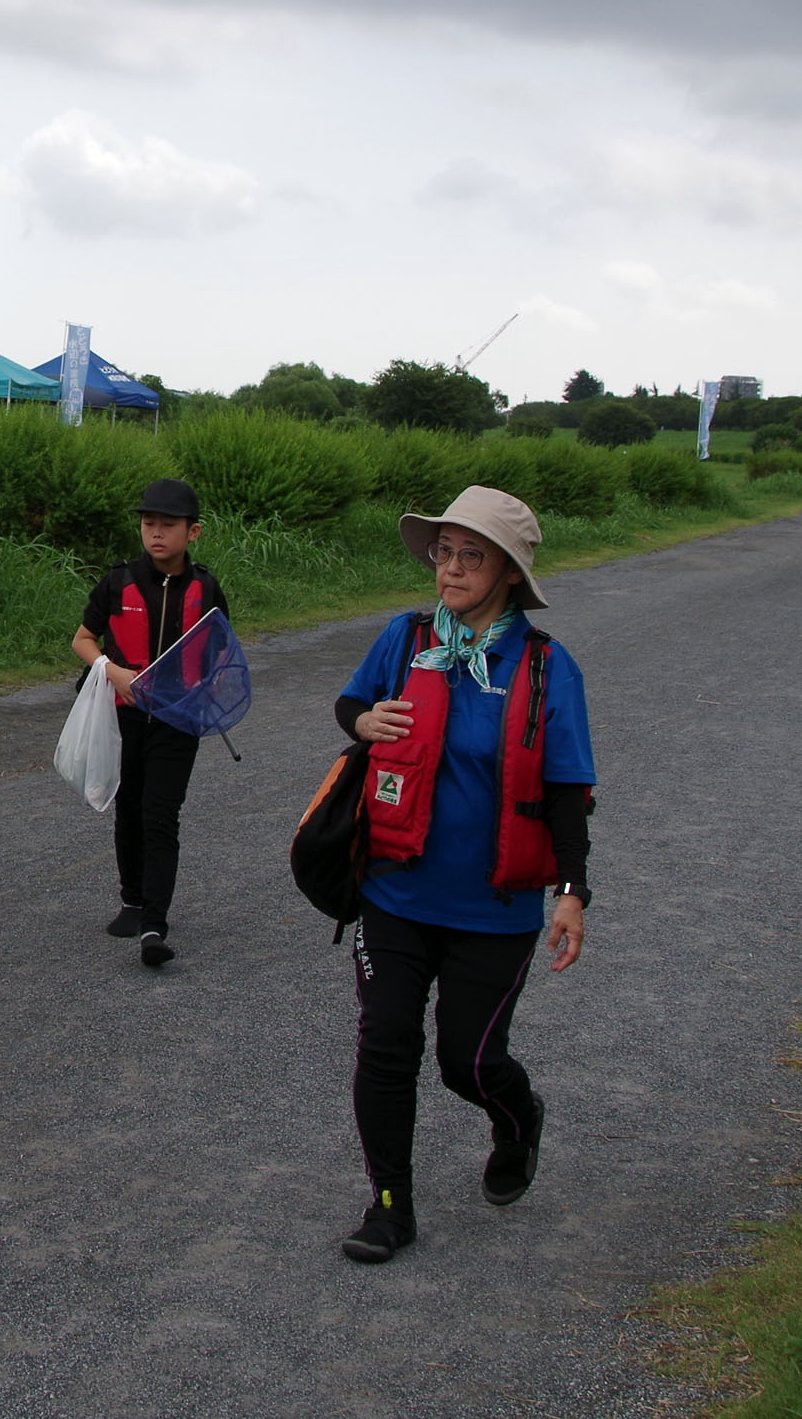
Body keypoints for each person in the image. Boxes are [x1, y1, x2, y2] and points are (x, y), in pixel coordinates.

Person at [332, 486, 595, 1265]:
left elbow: (566, 789)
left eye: (469, 556)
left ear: (509, 571)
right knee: (385, 1044)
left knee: (468, 1062)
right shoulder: (406, 637)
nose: (448, 569)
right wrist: (361, 722)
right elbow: (351, 702)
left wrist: (573, 893)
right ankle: (389, 1206)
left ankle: (517, 1120)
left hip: (494, 907)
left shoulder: (546, 668)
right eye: (442, 552)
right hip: (395, 892)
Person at [69, 480, 228, 969]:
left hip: (179, 719)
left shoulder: (206, 586)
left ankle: (156, 922)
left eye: (168, 525)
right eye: (148, 524)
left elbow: (223, 652)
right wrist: (110, 671)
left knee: (161, 814)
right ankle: (133, 899)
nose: (156, 534)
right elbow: (82, 639)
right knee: (130, 807)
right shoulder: (117, 581)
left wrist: (207, 690)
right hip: (123, 716)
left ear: (192, 531)